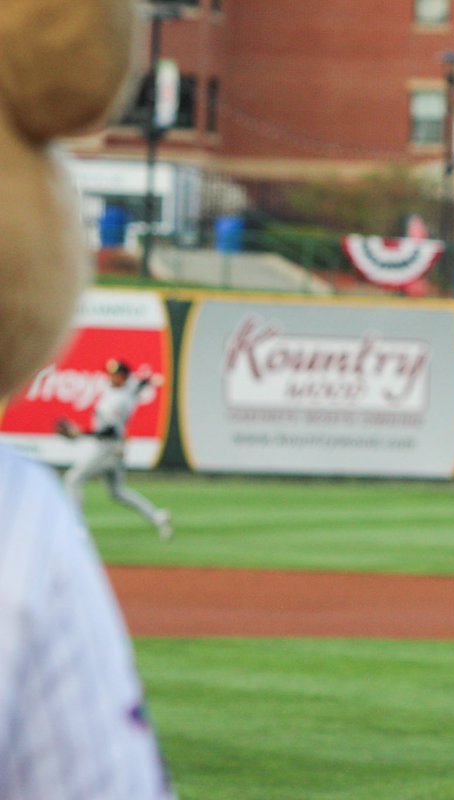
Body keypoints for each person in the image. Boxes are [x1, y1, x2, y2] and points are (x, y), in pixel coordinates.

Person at [0, 0, 174, 793]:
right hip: (99, 447)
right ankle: (158, 516)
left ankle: (154, 514)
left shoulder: (22, 509)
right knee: (70, 495)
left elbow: (127, 393)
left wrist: (121, 395)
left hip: (107, 444)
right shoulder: (16, 517)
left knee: (73, 488)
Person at [58, 358, 173, 540]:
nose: (110, 376)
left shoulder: (120, 400)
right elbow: (140, 383)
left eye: (115, 374)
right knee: (117, 492)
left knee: (73, 478)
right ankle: (157, 516)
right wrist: (151, 380)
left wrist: (81, 434)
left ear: (123, 377)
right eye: (110, 373)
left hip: (108, 449)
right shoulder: (128, 388)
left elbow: (109, 431)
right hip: (116, 449)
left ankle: (77, 530)